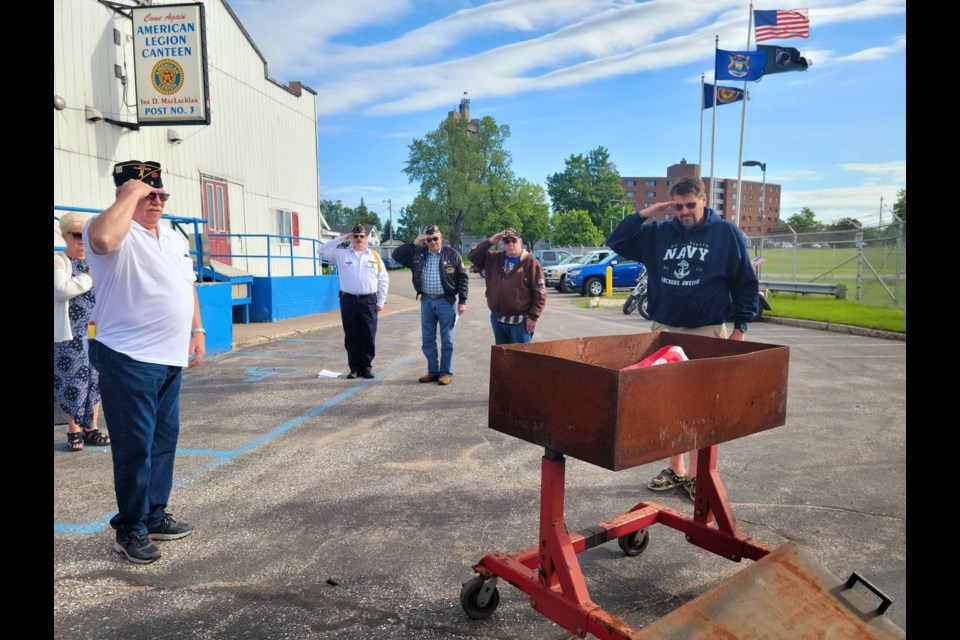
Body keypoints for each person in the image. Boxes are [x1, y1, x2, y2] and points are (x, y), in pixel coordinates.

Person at [606, 175, 759, 501]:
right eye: (678, 206)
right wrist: (649, 212)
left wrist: (740, 329)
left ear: (704, 200)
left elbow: (745, 282)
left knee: (703, 405)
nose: (685, 211)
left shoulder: (726, 233)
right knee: (668, 402)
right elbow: (616, 241)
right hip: (665, 330)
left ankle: (700, 475)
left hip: (707, 331)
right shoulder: (659, 233)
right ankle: (676, 469)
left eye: (691, 204)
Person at [85, 160, 206, 563]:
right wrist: (130, 193)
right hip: (128, 356)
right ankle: (129, 528)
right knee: (135, 446)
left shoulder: (171, 236)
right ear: (125, 194)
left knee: (163, 440)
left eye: (161, 195)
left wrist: (197, 332)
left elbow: (187, 287)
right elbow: (102, 240)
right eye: (147, 194)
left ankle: (154, 514)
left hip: (170, 354)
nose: (156, 201)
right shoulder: (111, 229)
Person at [54, 212, 109, 451]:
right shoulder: (59, 261)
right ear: (65, 235)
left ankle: (92, 428)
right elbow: (61, 290)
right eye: (77, 235)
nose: (81, 240)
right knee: (72, 381)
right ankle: (73, 431)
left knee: (96, 380)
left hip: (97, 331)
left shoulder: (97, 261)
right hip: (70, 335)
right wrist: (88, 278)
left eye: (84, 235)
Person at [392, 224, 469, 385]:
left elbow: (463, 278)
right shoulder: (418, 253)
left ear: (441, 238)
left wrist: (462, 300)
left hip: (446, 301)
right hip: (426, 301)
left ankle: (445, 372)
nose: (433, 242)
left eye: (435, 238)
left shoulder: (452, 254)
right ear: (425, 241)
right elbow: (396, 255)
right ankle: (433, 371)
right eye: (429, 239)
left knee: (447, 338)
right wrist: (414, 243)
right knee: (428, 339)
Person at [318, 224, 389, 379]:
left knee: (368, 335)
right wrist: (342, 238)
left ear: (366, 238)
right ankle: (354, 368)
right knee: (351, 335)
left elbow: (383, 279)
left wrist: (381, 301)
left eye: (361, 236)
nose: (358, 239)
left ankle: (367, 367)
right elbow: (322, 251)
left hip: (369, 300)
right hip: (348, 299)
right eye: (355, 236)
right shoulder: (341, 254)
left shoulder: (374, 256)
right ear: (352, 238)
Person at [467, 227, 547, 345]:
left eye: (513, 241)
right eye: (507, 241)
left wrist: (533, 317)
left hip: (520, 321)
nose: (510, 244)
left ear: (520, 242)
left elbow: (540, 291)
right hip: (498, 319)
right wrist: (490, 241)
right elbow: (472, 256)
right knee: (503, 359)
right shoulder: (494, 258)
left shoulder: (530, 262)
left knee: (520, 359)